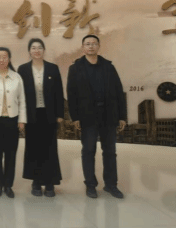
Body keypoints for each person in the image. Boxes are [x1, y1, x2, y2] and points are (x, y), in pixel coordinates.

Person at [67, 35, 127, 199]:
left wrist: (122, 116)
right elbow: (71, 95)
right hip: (87, 116)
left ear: (99, 46)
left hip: (108, 115)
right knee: (88, 151)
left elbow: (119, 91)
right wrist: (75, 117)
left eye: (94, 44)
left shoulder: (108, 67)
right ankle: (90, 185)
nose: (91, 46)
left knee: (110, 152)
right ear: (83, 47)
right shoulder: (75, 68)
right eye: (87, 44)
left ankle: (111, 185)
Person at [18, 38, 64, 198]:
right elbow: (20, 95)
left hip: (49, 115)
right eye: (33, 48)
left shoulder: (52, 68)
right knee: (33, 148)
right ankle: (36, 181)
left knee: (50, 148)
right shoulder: (23, 69)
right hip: (31, 115)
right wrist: (21, 117)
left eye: (39, 48)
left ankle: (50, 182)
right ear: (29, 51)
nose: (36, 50)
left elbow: (59, 92)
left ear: (44, 50)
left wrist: (60, 114)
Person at [0, 47, 26, 199]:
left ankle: (8, 185)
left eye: (4, 57)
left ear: (9, 59)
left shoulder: (16, 77)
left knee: (10, 154)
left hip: (12, 119)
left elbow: (22, 100)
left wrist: (22, 120)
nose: (1, 60)